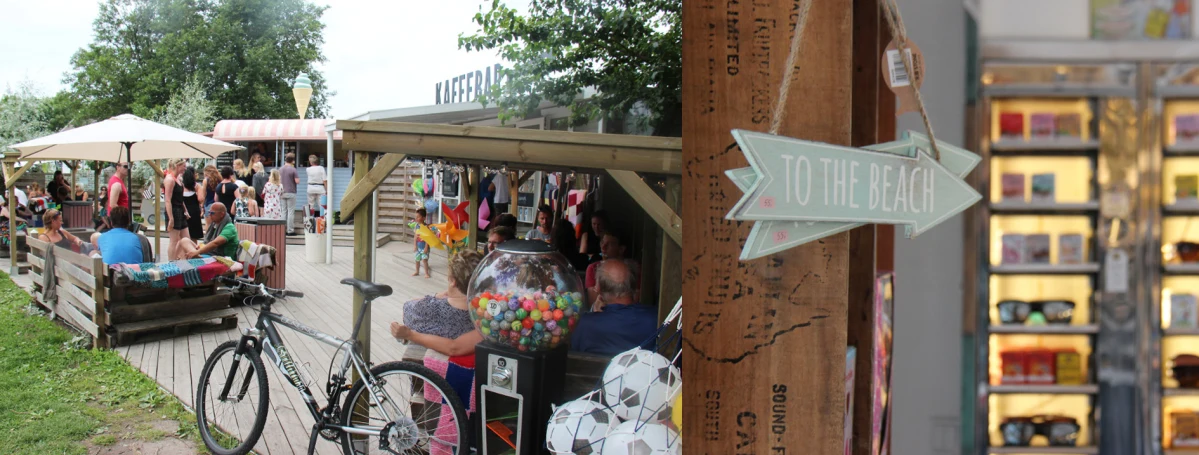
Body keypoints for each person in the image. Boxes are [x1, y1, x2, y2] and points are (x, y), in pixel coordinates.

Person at [388, 251, 486, 357]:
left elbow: (407, 308)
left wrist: (409, 335)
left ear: (453, 281)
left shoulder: (433, 308)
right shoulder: (484, 311)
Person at [571, 259, 657, 356]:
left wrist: (593, 313)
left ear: (598, 288)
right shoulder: (655, 318)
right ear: (633, 286)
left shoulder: (584, 324)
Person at [585, 233, 638, 307]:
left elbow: (636, 301)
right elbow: (595, 305)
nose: (603, 247)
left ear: (621, 249)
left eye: (610, 244)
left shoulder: (632, 268)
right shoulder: (593, 268)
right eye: (602, 242)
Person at [173, 202, 239, 259]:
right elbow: (208, 242)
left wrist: (197, 252)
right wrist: (201, 246)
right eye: (209, 212)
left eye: (212, 213)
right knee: (184, 240)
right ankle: (188, 260)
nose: (209, 215)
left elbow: (215, 243)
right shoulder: (215, 225)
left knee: (188, 254)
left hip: (221, 258)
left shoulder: (229, 227)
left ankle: (194, 260)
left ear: (222, 214)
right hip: (210, 254)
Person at [164, 158, 189, 262]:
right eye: (184, 166)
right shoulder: (169, 179)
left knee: (186, 238)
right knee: (173, 240)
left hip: (180, 209)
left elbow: (180, 198)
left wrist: (185, 210)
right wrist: (171, 218)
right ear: (178, 166)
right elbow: (167, 200)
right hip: (173, 210)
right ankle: (171, 262)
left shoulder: (178, 179)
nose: (185, 168)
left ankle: (179, 258)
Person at [279, 153, 300, 235]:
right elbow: (297, 181)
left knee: (283, 211)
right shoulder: (293, 169)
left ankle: (282, 229)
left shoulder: (280, 169)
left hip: (282, 192)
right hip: (291, 192)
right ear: (293, 161)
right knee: (290, 212)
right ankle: (290, 230)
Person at [181, 166, 204, 240]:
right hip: (194, 212)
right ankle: (194, 250)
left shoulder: (181, 185)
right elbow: (200, 199)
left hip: (183, 211)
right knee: (194, 235)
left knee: (183, 235)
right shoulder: (197, 186)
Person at [412, 208, 432, 278]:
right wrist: (414, 245)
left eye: (418, 217)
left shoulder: (426, 227)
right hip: (418, 246)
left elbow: (428, 238)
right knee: (417, 259)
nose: (416, 218)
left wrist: (426, 247)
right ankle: (417, 271)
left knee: (424, 260)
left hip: (424, 247)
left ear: (423, 218)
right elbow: (415, 237)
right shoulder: (416, 226)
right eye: (416, 217)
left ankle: (426, 273)